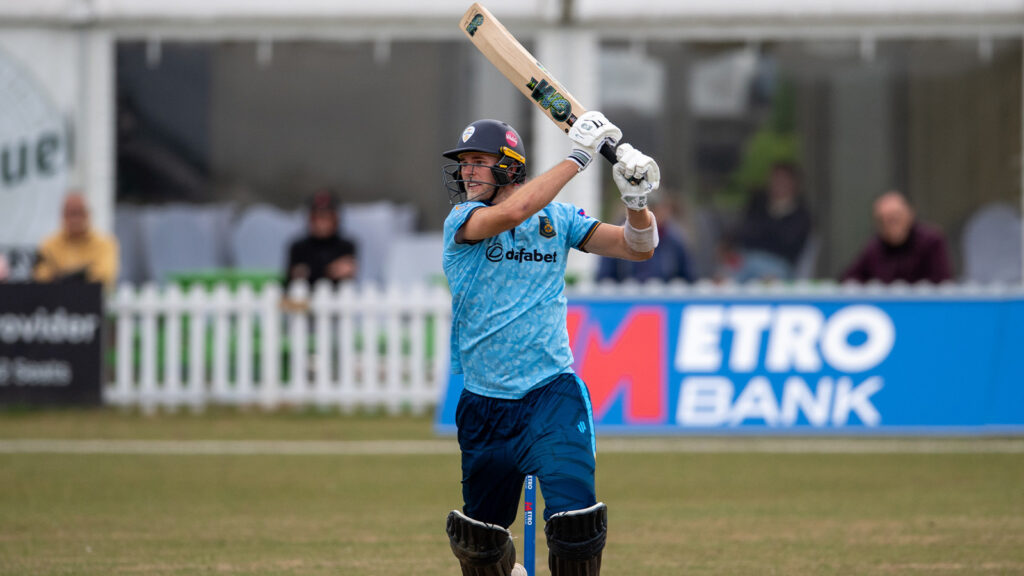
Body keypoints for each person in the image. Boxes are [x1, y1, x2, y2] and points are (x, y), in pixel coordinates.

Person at [440, 115, 659, 576]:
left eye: (478, 161)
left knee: (576, 525)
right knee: (480, 543)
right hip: (484, 403)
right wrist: (579, 156)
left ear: (509, 166)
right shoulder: (462, 220)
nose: (467, 171)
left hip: (550, 395)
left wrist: (636, 202)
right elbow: (512, 213)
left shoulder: (558, 220)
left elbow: (637, 247)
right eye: (464, 162)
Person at [841, 190, 953, 284]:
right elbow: (850, 278)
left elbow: (943, 282)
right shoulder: (875, 247)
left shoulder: (931, 241)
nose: (890, 225)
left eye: (895, 218)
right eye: (882, 221)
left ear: (910, 215)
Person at [734, 161, 812, 281]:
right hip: (748, 258)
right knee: (735, 267)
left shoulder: (801, 215)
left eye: (783, 180)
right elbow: (744, 233)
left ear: (794, 183)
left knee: (748, 268)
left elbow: (787, 244)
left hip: (780, 266)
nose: (778, 184)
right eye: (775, 179)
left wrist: (764, 231)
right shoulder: (758, 206)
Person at [596, 191, 695, 283]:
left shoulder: (675, 241)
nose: (652, 215)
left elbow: (689, 277)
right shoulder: (618, 235)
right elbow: (604, 277)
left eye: (656, 209)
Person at [33, 191, 119, 291]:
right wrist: (82, 274)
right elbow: (41, 276)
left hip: (91, 297)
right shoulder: (49, 243)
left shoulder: (104, 243)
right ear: (63, 216)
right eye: (71, 214)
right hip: (57, 297)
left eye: (79, 213)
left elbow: (104, 274)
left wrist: (63, 277)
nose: (75, 219)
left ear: (88, 215)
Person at [284, 190, 357, 286]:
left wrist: (310, 271)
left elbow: (348, 275)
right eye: (317, 217)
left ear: (335, 219)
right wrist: (330, 270)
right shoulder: (298, 247)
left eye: (326, 217)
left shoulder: (346, 246)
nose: (321, 223)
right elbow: (291, 278)